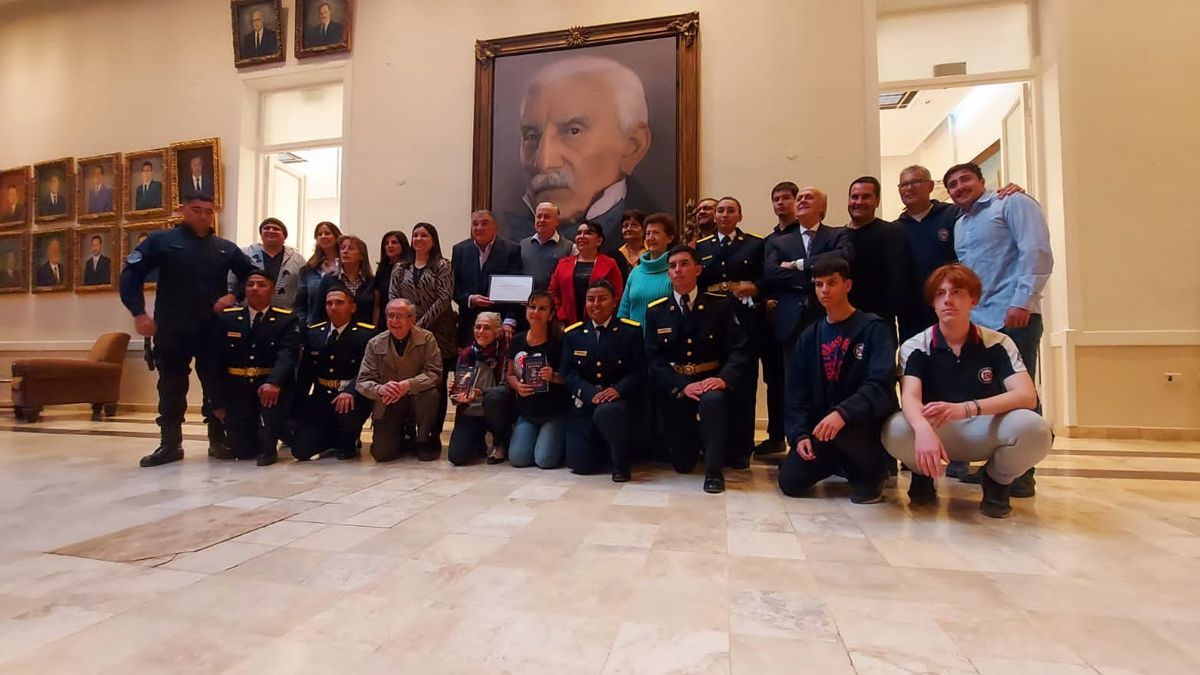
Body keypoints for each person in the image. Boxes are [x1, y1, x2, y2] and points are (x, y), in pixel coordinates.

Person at [883, 264, 1051, 518]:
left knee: (1035, 428)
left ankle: (997, 481)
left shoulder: (999, 343)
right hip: (937, 429)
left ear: (973, 300)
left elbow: (1027, 396)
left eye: (957, 292)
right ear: (933, 303)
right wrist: (923, 431)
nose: (948, 300)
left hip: (984, 427)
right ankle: (922, 474)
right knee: (894, 427)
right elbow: (910, 396)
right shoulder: (916, 346)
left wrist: (967, 408)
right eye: (940, 294)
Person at [119, 191, 256, 467]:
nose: (203, 215)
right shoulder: (162, 242)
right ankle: (170, 444)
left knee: (216, 385)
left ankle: (218, 441)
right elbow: (130, 276)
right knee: (171, 386)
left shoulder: (224, 248)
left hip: (211, 329)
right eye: (197, 210)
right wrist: (138, 313)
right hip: (172, 327)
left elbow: (252, 276)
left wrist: (234, 296)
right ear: (183, 210)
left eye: (208, 210)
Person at [946, 162, 1053, 494]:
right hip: (980, 321)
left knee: (1021, 394)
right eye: (952, 184)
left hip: (1013, 316)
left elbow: (1035, 251)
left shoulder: (1013, 203)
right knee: (992, 395)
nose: (959, 186)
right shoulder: (961, 223)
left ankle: (1023, 475)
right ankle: (999, 467)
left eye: (966, 179)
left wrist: (1023, 300)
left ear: (982, 181)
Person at [777, 258, 898, 503]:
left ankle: (871, 472)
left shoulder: (874, 329)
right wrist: (799, 435)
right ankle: (837, 463)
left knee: (862, 492)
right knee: (790, 481)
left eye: (832, 283)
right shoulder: (810, 336)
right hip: (825, 429)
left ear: (848, 285)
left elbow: (879, 384)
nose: (825, 290)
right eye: (819, 284)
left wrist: (843, 413)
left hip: (862, 426)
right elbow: (796, 393)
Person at [503, 56, 659, 244]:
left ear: (632, 146)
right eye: (531, 136)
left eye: (573, 131)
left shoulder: (655, 236)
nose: (544, 162)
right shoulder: (507, 238)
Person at [644, 246, 751, 494]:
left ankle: (714, 472)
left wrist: (723, 379)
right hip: (678, 385)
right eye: (672, 266)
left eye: (684, 264)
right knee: (682, 464)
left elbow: (740, 349)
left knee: (713, 401)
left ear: (698, 269)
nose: (678, 270)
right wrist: (681, 384)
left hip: (711, 380)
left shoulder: (720, 305)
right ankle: (694, 447)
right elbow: (654, 358)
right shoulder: (656, 311)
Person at [895, 165, 1026, 341]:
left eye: (916, 182)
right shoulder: (894, 229)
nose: (909, 188)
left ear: (930, 186)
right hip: (913, 317)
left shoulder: (955, 215)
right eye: (904, 185)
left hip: (956, 309)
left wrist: (1009, 190)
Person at [695, 197, 764, 468]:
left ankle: (741, 449)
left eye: (730, 210)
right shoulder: (701, 247)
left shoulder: (755, 244)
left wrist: (755, 288)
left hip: (746, 319)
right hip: (713, 321)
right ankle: (715, 446)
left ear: (740, 216)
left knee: (743, 386)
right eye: (720, 210)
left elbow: (764, 277)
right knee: (714, 385)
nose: (724, 215)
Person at [210, 270, 299, 466]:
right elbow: (215, 361)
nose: (255, 289)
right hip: (237, 388)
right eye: (250, 284)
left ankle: (278, 431)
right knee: (243, 452)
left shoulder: (286, 319)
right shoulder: (228, 319)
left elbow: (287, 355)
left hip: (269, 387)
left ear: (272, 289)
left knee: (266, 452)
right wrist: (216, 401)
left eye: (261, 285)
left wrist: (274, 382)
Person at [561, 280, 644, 480]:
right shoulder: (574, 334)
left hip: (618, 402)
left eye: (602, 299)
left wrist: (617, 390)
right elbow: (568, 372)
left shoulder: (630, 331)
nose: (596, 304)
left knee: (607, 413)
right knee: (580, 465)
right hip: (587, 401)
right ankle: (604, 450)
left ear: (614, 302)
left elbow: (639, 370)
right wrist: (590, 393)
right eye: (591, 300)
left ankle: (620, 465)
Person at [762, 186, 854, 364]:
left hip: (830, 315)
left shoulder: (838, 235)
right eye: (799, 198)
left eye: (809, 197)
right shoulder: (779, 242)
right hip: (791, 322)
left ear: (823, 207)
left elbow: (843, 257)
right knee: (795, 381)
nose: (802, 200)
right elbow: (771, 273)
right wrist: (815, 279)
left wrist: (799, 264)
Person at [389, 222, 457, 447]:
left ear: (433, 240)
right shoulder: (400, 268)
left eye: (424, 235)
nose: (419, 239)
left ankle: (431, 433)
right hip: (404, 333)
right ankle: (408, 430)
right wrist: (405, 324)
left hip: (440, 334)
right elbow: (393, 297)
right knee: (408, 379)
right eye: (415, 235)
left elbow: (444, 298)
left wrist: (419, 325)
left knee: (435, 383)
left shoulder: (442, 265)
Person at [292, 286, 374, 461]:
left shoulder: (366, 334)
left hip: (352, 397)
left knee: (345, 453)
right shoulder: (314, 333)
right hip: (322, 396)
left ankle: (348, 438)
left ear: (352, 307)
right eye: (329, 303)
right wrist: (297, 405)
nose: (333, 307)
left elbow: (367, 370)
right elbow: (306, 372)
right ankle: (330, 437)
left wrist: (350, 391)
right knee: (300, 451)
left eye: (339, 303)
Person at [356, 298, 443, 462]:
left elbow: (434, 373)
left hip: (417, 398)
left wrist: (408, 385)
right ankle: (401, 437)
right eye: (391, 316)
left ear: (412, 319)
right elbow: (363, 381)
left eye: (399, 317)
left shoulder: (427, 339)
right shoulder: (374, 344)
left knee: (431, 394)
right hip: (388, 401)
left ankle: (423, 440)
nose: (394, 321)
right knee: (382, 454)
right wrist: (379, 389)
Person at [753, 182, 801, 457]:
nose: (781, 203)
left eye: (786, 198)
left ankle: (799, 439)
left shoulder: (806, 235)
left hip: (799, 318)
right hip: (772, 319)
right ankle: (775, 436)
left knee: (796, 381)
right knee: (774, 380)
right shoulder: (769, 241)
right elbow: (767, 276)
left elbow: (803, 276)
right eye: (776, 199)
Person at [504, 292, 570, 469]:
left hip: (554, 412)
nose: (536, 312)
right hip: (528, 412)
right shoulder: (518, 339)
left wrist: (553, 376)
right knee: (518, 459)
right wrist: (517, 386)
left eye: (542, 308)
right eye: (532, 307)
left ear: (550, 314)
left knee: (545, 461)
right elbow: (509, 374)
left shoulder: (559, 341)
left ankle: (559, 438)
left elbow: (570, 378)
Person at [843, 176, 912, 339]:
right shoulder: (837, 236)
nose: (858, 202)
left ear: (877, 200)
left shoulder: (893, 232)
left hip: (879, 323)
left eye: (866, 196)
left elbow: (899, 281)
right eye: (854, 197)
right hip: (844, 323)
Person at [451, 210, 523, 346]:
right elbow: (453, 287)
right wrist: (470, 299)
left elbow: (515, 289)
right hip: (469, 322)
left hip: (499, 322)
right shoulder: (460, 250)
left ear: (495, 226)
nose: (479, 228)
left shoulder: (511, 250)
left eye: (484, 223)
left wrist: (509, 320)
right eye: (475, 224)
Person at [447, 312, 509, 466]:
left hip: (495, 410)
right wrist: (455, 393)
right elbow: (458, 394)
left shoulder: (504, 353)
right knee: (457, 457)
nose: (480, 331)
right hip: (471, 411)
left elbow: (506, 389)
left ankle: (500, 442)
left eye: (486, 328)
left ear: (497, 332)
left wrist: (481, 393)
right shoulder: (465, 354)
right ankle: (477, 442)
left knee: (495, 398)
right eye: (478, 327)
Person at [548, 221, 624, 325]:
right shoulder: (563, 263)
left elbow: (617, 295)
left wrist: (604, 315)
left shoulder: (610, 264)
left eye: (588, 233)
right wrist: (561, 313)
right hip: (567, 323)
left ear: (599, 240)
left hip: (601, 322)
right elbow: (552, 292)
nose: (581, 236)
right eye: (579, 233)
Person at [617, 212, 677, 325]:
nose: (650, 238)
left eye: (656, 233)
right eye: (648, 233)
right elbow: (623, 312)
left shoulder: (675, 271)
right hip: (634, 339)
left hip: (665, 338)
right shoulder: (636, 272)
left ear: (670, 238)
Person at [232, 218, 304, 308]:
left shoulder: (297, 259)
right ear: (261, 234)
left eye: (276, 229)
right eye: (266, 228)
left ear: (284, 236)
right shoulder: (244, 254)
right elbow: (231, 283)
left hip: (285, 315)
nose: (271, 231)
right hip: (248, 313)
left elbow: (303, 290)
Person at [294, 221, 343, 325]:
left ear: (337, 236)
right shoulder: (309, 269)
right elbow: (300, 303)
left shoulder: (346, 265)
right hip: (314, 325)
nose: (323, 236)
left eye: (327, 233)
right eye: (319, 234)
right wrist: (302, 324)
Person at [518, 202, 574, 292]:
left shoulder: (569, 247)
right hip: (528, 302)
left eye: (547, 217)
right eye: (539, 216)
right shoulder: (523, 244)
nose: (541, 220)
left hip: (554, 302)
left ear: (557, 221)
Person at [374, 230, 410, 318]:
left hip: (406, 318)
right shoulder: (382, 270)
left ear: (403, 246)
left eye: (394, 242)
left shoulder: (411, 269)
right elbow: (377, 304)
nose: (390, 245)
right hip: (385, 319)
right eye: (386, 243)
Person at [614, 209, 646, 278]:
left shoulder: (652, 254)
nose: (628, 229)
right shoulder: (614, 256)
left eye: (634, 225)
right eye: (625, 226)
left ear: (644, 230)